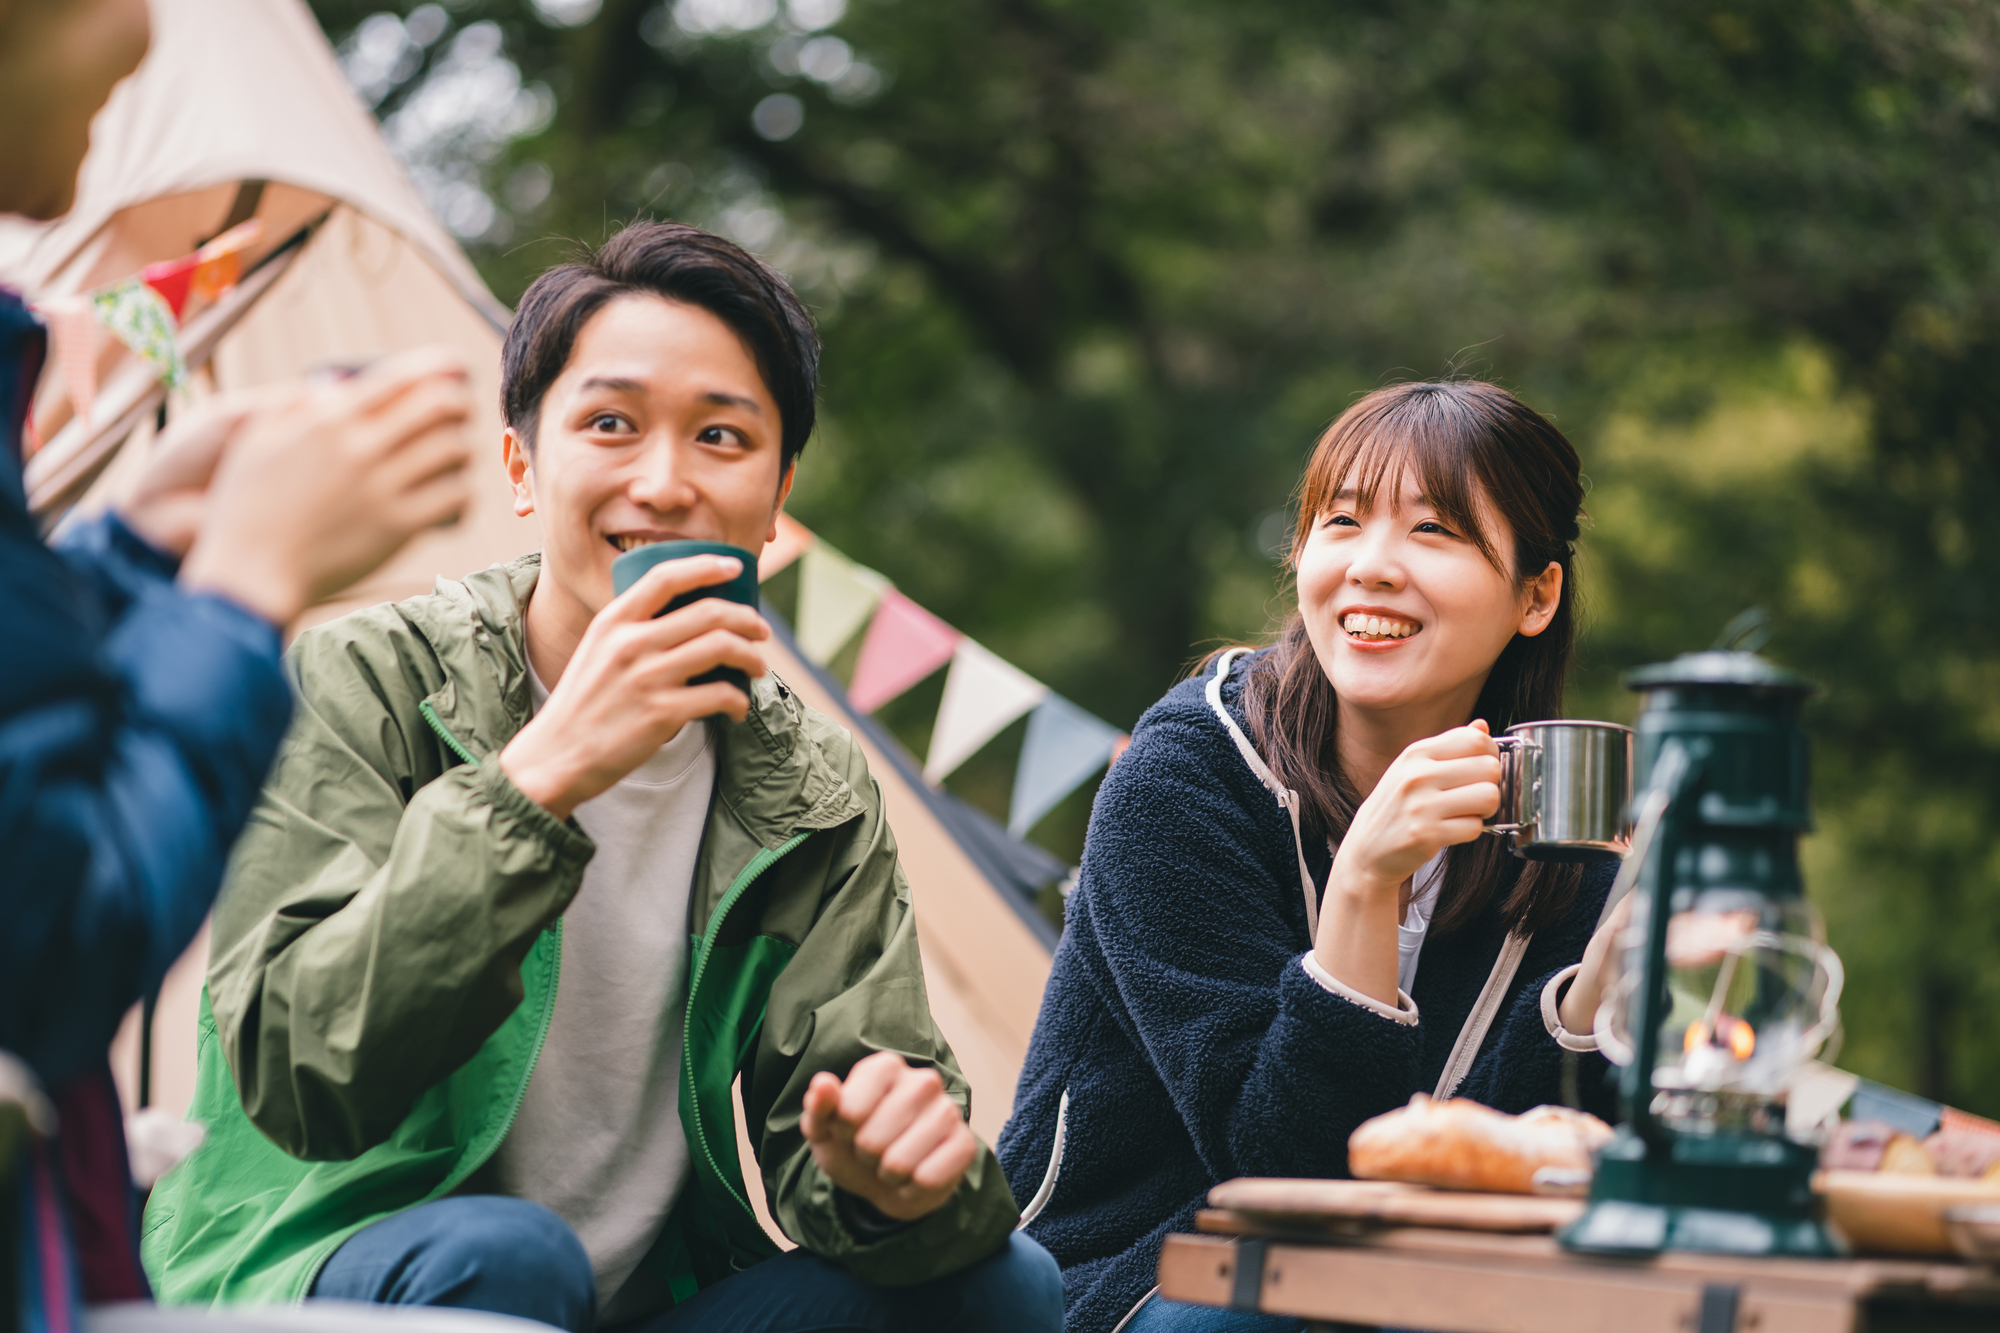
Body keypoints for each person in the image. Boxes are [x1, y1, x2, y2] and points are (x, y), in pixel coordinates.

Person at [142, 220, 1064, 1333]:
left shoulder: (806, 781)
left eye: (721, 436)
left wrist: (901, 1182)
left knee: (999, 1280)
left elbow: (856, 1122)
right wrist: (540, 776)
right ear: (522, 465)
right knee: (507, 1257)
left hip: (643, 1305)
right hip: (327, 1272)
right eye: (610, 424)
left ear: (775, 504)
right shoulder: (364, 676)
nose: (664, 482)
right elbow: (299, 1070)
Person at [0, 0, 475, 1320]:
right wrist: (240, 592)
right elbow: (46, 950)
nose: (153, 38)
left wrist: (139, 550)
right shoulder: (385, 673)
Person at [997, 381, 1628, 1332]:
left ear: (1536, 594)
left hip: (1415, 1284)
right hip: (1126, 1278)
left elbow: (1509, 1165)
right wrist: (1366, 882)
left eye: (1435, 532)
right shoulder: (1187, 778)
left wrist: (1597, 992)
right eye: (1342, 521)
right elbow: (1286, 1172)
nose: (1372, 567)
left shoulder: (1555, 812)